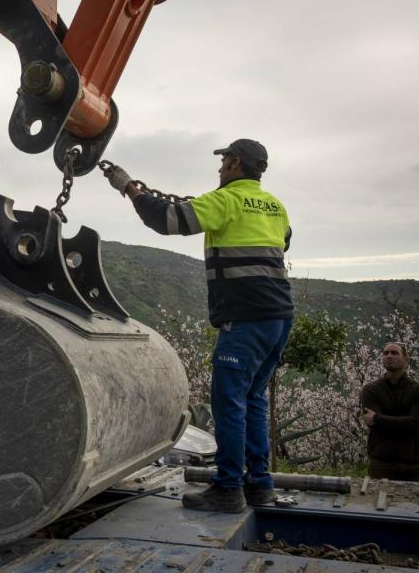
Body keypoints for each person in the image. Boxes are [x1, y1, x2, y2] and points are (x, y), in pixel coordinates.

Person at [103, 139, 293, 513]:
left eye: (223, 162)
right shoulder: (276, 206)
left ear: (236, 163)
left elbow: (165, 220)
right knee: (253, 400)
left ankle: (227, 489)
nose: (219, 169)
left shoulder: (225, 201)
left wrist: (127, 186)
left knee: (229, 405)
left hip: (244, 320)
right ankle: (259, 485)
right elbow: (283, 242)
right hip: (279, 318)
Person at [360, 342, 419, 482]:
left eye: (394, 353)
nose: (389, 356)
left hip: (417, 464)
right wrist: (404, 422)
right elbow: (371, 424)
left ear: (406, 360)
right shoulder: (370, 390)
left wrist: (377, 418)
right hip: (382, 463)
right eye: (386, 353)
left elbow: (416, 423)